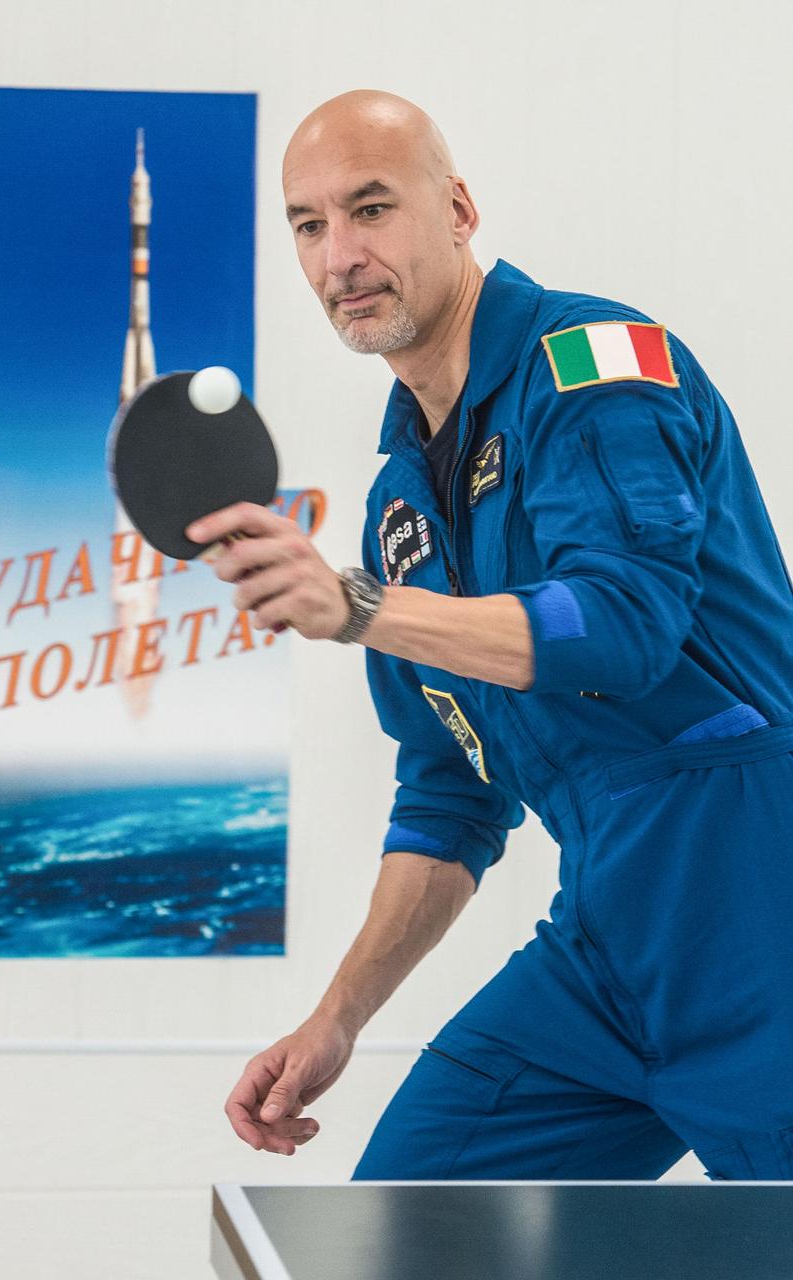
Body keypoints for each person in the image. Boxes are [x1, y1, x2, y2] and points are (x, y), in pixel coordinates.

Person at [188, 90, 793, 1180]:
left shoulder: (599, 365)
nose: (340, 256)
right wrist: (336, 1016)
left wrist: (361, 608)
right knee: (402, 1220)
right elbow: (449, 793)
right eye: (309, 224)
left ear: (458, 207)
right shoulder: (400, 509)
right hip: (609, 949)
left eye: (371, 208)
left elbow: (623, 622)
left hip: (764, 923)